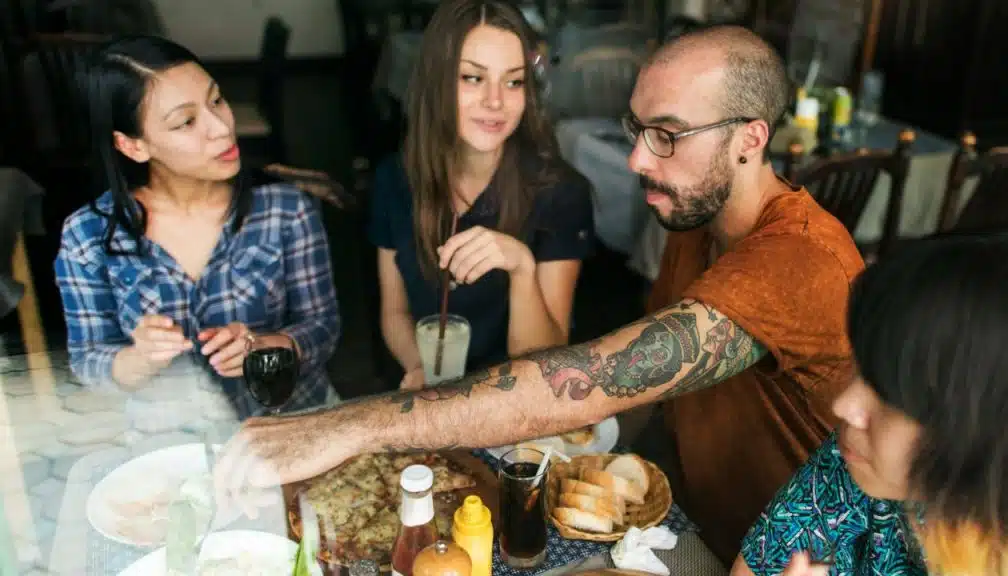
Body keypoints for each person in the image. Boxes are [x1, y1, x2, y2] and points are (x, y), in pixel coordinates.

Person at [214, 26, 862, 559]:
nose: (637, 160)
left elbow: (596, 377)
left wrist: (350, 427)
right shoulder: (695, 221)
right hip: (686, 524)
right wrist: (589, 458)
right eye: (636, 129)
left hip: (791, 558)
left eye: (667, 135)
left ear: (750, 138)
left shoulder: (796, 262)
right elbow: (645, 393)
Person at [54, 36, 341, 418]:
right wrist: (139, 359)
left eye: (217, 100)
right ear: (132, 146)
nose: (221, 128)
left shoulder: (285, 210)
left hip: (290, 422)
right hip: (171, 440)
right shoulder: (88, 236)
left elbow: (323, 327)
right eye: (186, 122)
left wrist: (266, 346)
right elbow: (88, 360)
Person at [733, 232, 1008, 576]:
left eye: (889, 395)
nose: (843, 405)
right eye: (861, 370)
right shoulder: (861, 456)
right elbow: (761, 565)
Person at [370, 0, 594, 390]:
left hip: (515, 403)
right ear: (437, 81)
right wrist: (420, 369)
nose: (495, 101)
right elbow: (395, 312)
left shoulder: (560, 193)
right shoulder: (395, 179)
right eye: (473, 78)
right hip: (428, 397)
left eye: (513, 82)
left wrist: (521, 268)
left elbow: (544, 362)